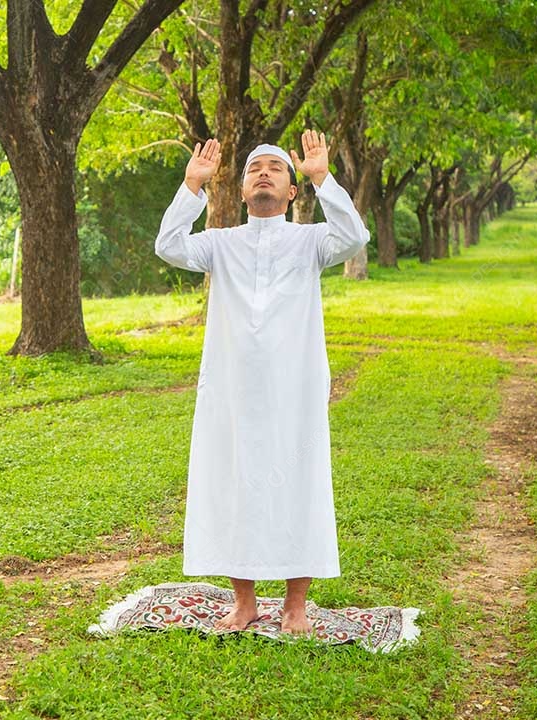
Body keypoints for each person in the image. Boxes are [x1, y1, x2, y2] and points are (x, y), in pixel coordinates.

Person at [153, 130, 369, 634]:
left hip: (295, 390)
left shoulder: (313, 241)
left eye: (276, 168)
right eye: (255, 169)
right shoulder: (221, 244)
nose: (265, 173)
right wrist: (191, 186)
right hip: (232, 394)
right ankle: (244, 602)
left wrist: (323, 176)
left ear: (293, 191)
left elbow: (356, 238)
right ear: (243, 191)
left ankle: (296, 605)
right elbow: (167, 246)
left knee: (300, 483)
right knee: (234, 484)